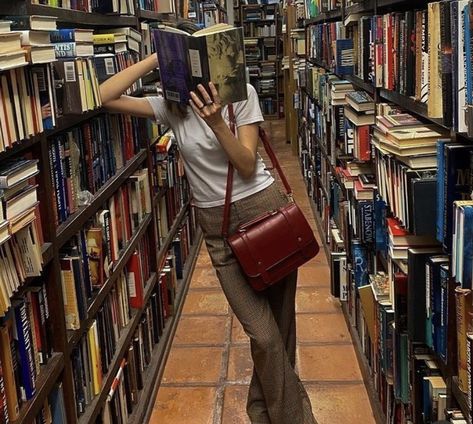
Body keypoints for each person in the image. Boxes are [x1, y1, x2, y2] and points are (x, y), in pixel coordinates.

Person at [99, 22, 317, 424]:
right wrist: (159, 59)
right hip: (218, 230)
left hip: (265, 213)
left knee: (280, 334)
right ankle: (291, 416)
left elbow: (247, 164)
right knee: (264, 336)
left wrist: (218, 123)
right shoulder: (173, 106)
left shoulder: (243, 96)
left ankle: (266, 413)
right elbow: (104, 96)